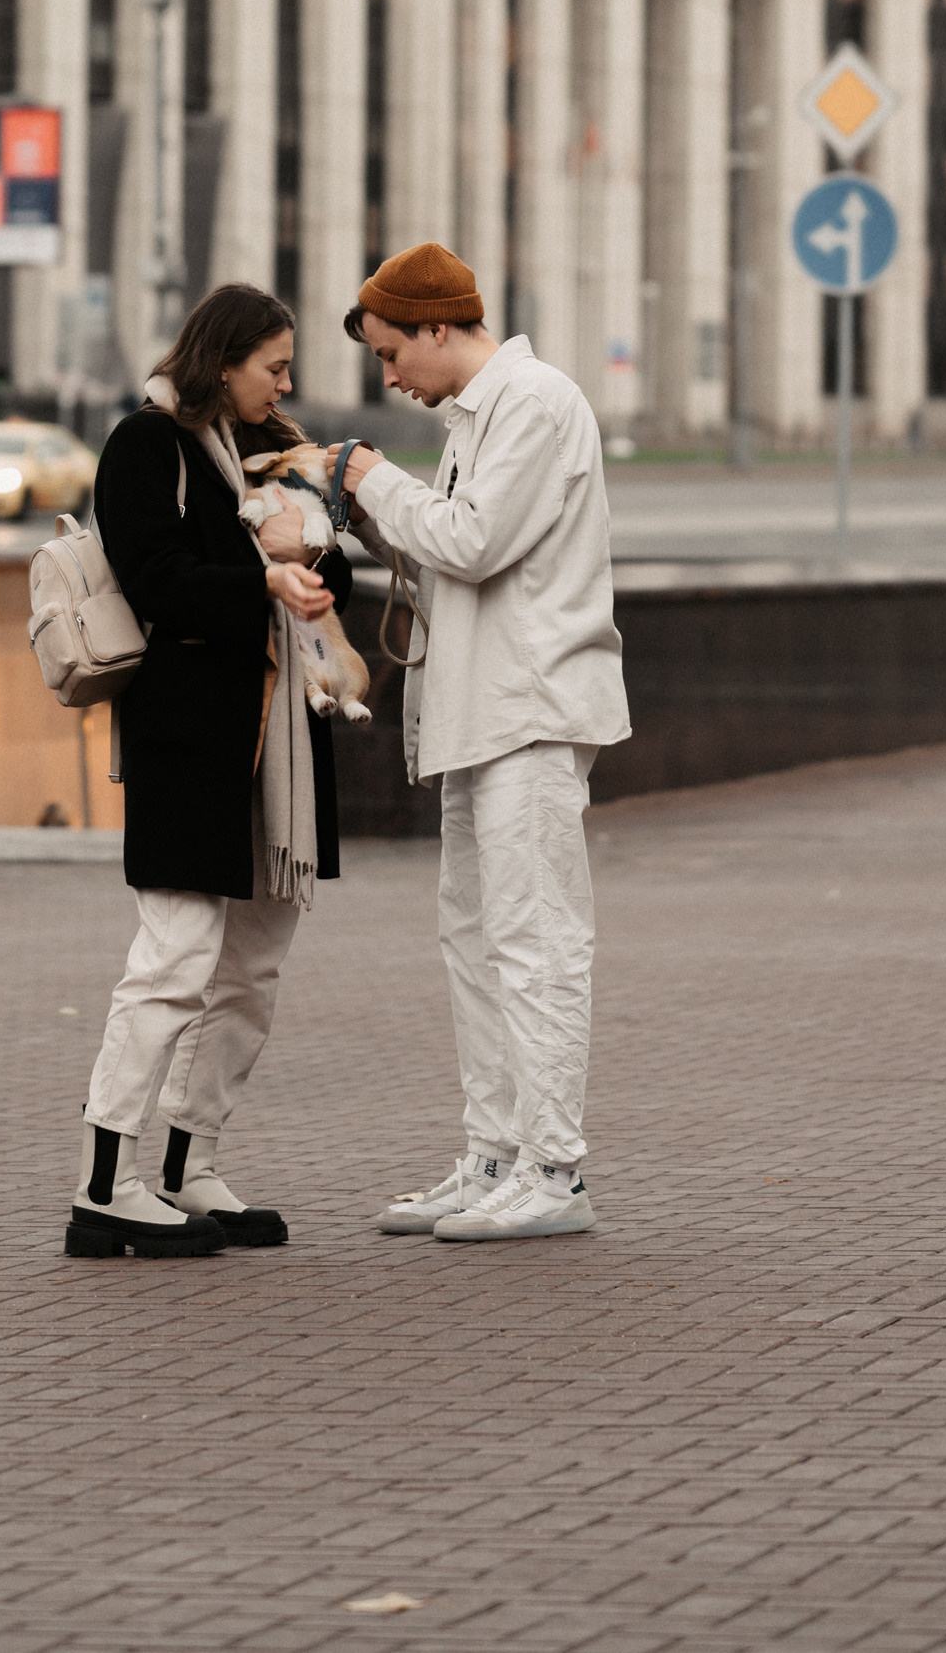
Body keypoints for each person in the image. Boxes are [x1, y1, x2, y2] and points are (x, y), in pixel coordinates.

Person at [328, 243, 629, 1243]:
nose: (388, 377)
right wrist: (370, 512)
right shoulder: (479, 416)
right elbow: (453, 546)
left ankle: (554, 1168)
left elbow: (471, 540)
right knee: (475, 939)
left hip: (530, 710)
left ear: (438, 328)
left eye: (388, 353)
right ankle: (495, 1154)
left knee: (534, 942)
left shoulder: (534, 401)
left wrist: (369, 478)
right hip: (480, 712)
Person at [67, 281, 354, 1260]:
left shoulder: (278, 447)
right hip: (190, 739)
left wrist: (309, 554)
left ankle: (190, 1163)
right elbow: (154, 581)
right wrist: (262, 574)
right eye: (272, 363)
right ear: (221, 359)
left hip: (278, 741)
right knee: (175, 958)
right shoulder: (142, 444)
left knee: (252, 966)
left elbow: (336, 568)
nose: (285, 380)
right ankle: (104, 1183)